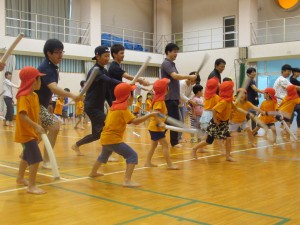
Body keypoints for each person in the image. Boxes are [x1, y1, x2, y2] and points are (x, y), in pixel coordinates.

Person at [89, 83, 157, 187]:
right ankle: (127, 180)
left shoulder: (113, 107)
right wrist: (150, 115)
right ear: (128, 97)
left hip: (105, 137)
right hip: (113, 139)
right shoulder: (123, 109)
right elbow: (136, 122)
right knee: (132, 155)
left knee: (103, 156)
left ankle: (93, 172)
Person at [36, 39, 81, 169]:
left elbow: (47, 87)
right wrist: (72, 95)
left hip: (42, 105)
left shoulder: (51, 67)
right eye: (57, 52)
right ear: (48, 53)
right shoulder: (46, 67)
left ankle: (28, 156)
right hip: (35, 105)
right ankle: (45, 160)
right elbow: (54, 88)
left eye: (62, 52)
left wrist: (49, 102)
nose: (60, 55)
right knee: (54, 126)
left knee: (40, 134)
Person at [72, 46, 121, 156]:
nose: (108, 58)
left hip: (98, 107)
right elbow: (109, 80)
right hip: (91, 106)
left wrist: (112, 105)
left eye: (109, 56)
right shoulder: (95, 71)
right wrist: (123, 84)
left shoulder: (104, 70)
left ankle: (76, 145)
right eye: (105, 56)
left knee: (97, 135)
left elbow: (108, 90)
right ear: (97, 57)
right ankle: (108, 154)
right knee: (109, 125)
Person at [14, 66, 46, 194]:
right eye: (39, 79)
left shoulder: (35, 96)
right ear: (33, 80)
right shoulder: (23, 97)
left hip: (32, 132)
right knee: (36, 158)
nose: (41, 82)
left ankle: (20, 178)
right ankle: (31, 186)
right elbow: (22, 115)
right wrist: (35, 126)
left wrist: (38, 126)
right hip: (26, 133)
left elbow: (36, 114)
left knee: (27, 156)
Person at [192, 81, 242, 161]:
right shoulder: (223, 102)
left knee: (228, 139)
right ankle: (194, 149)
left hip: (224, 123)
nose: (233, 91)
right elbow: (214, 109)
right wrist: (215, 120)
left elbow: (234, 107)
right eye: (231, 89)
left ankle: (228, 156)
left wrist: (240, 110)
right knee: (209, 141)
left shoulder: (228, 101)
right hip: (216, 123)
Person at [161, 43, 197, 148]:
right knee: (174, 120)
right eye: (174, 51)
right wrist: (189, 76)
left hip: (173, 97)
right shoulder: (167, 63)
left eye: (177, 51)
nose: (176, 53)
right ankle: (174, 142)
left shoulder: (171, 64)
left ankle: (159, 136)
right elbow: (175, 76)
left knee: (170, 119)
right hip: (169, 96)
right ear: (168, 52)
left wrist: (178, 97)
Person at [144, 78, 179, 170]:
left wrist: (164, 118)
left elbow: (158, 113)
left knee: (154, 145)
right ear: (164, 89)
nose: (168, 88)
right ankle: (170, 165)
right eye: (167, 86)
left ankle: (147, 162)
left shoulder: (159, 99)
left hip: (155, 126)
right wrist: (160, 122)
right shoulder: (159, 101)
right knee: (165, 145)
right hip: (156, 127)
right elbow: (155, 113)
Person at [179, 71, 197, 143]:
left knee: (181, 121)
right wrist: (190, 101)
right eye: (194, 81)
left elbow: (189, 95)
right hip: (175, 103)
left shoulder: (190, 86)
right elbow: (181, 95)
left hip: (181, 104)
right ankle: (177, 138)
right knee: (179, 121)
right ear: (190, 79)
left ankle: (179, 138)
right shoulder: (182, 83)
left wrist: (189, 101)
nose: (194, 83)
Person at [245, 67, 263, 132]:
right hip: (250, 101)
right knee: (252, 116)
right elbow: (255, 89)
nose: (254, 73)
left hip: (253, 101)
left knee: (251, 116)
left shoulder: (252, 80)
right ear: (248, 74)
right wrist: (263, 91)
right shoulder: (250, 80)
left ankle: (253, 131)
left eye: (254, 72)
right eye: (252, 72)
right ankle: (253, 131)